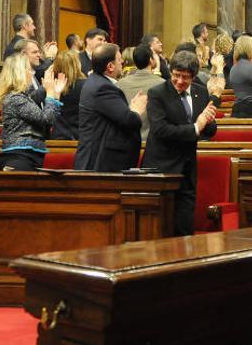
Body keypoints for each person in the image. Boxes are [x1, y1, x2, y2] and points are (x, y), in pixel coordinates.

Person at [142, 51, 218, 236]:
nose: (180, 81)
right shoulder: (157, 93)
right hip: (161, 167)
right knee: (160, 227)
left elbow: (209, 129)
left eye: (185, 77)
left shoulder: (200, 92)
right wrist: (195, 127)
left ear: (193, 76)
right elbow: (160, 130)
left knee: (184, 224)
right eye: (176, 75)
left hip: (187, 167)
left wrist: (208, 121)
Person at [74, 43, 147, 171]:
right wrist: (136, 110)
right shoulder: (103, 88)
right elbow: (129, 120)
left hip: (98, 159)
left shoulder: (95, 82)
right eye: (119, 59)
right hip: (101, 163)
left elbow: (114, 116)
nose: (123, 61)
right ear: (110, 66)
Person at [0, 54, 65, 171]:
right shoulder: (16, 98)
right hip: (19, 157)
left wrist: (55, 95)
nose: (32, 73)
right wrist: (51, 94)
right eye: (29, 69)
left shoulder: (23, 97)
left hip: (28, 155)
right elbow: (46, 118)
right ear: (19, 73)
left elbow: (49, 122)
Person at [117, 44, 165, 140]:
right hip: (152, 142)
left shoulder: (119, 84)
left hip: (126, 140)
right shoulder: (163, 84)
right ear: (151, 60)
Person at [49, 50, 87, 140]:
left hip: (57, 135)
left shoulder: (51, 86)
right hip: (80, 136)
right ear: (77, 64)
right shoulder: (86, 85)